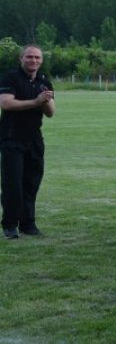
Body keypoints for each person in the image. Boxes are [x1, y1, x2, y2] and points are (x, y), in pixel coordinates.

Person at [0, 45, 55, 239]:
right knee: (13, 184)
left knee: (31, 183)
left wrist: (45, 101)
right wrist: (35, 102)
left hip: (34, 139)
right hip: (12, 138)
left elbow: (51, 113)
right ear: (21, 58)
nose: (33, 60)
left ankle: (28, 224)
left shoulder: (44, 82)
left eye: (37, 57)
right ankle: (9, 225)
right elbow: (5, 103)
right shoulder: (10, 78)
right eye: (29, 57)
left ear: (41, 61)